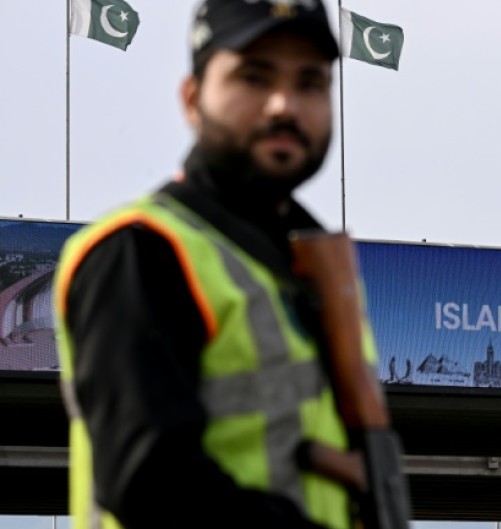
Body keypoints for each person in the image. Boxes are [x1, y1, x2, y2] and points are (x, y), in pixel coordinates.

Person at [52, 2, 377, 528]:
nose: (284, 105)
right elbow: (151, 483)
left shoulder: (311, 271)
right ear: (191, 99)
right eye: (254, 77)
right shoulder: (141, 250)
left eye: (311, 83)